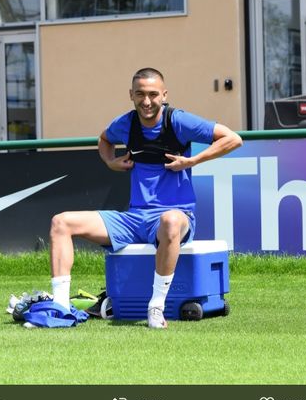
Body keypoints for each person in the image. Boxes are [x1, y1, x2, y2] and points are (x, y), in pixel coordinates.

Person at [49, 67, 242, 329]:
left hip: (174, 217)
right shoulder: (126, 124)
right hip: (134, 218)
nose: (147, 101)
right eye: (140, 94)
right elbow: (104, 139)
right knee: (61, 222)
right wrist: (110, 162)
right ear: (131, 95)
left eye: (153, 94)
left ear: (164, 95)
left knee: (171, 221)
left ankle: (156, 307)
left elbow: (233, 138)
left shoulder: (179, 121)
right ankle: (60, 308)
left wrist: (193, 160)